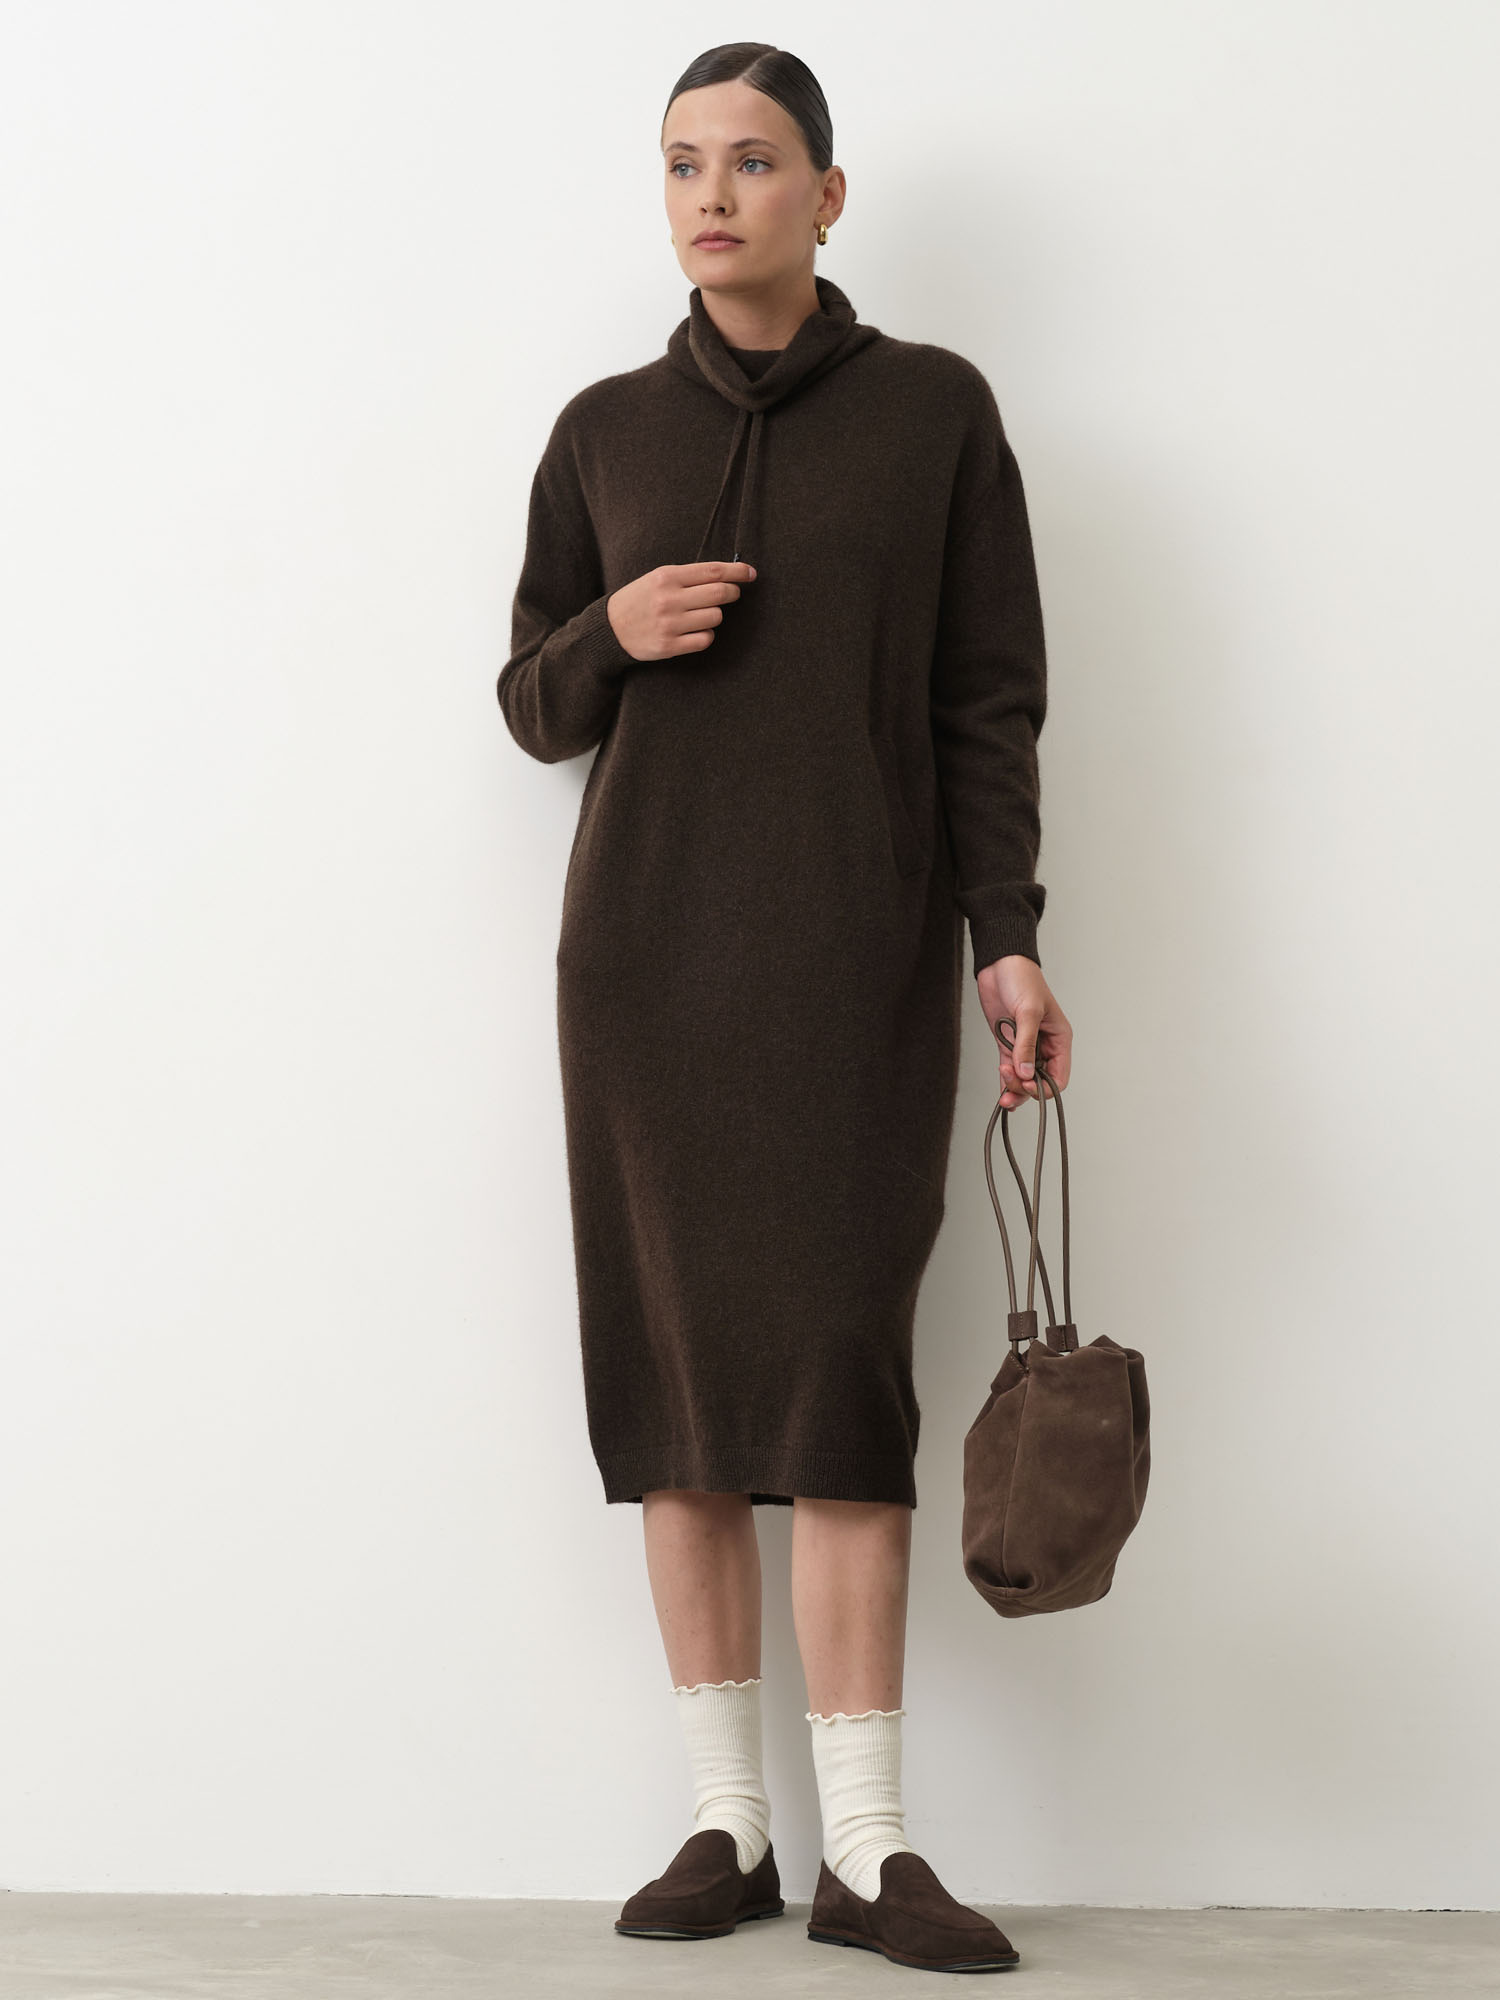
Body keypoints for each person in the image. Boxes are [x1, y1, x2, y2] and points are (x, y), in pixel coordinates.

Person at [497, 39, 1073, 1975]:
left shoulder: (934, 414)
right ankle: (727, 1826)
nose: (711, 196)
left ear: (829, 194)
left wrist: (1006, 934)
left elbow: (987, 700)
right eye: (681, 164)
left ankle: (872, 1848)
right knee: (673, 1387)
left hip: (855, 965)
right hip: (643, 972)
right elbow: (529, 701)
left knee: (839, 1393)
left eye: (752, 162)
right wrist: (612, 629)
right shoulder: (601, 432)